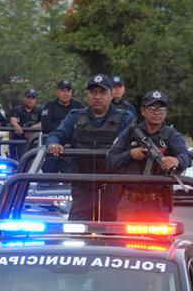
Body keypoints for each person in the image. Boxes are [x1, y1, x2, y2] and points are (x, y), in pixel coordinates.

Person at [45, 74, 136, 220]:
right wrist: (54, 144)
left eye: (102, 92)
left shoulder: (125, 118)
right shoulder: (75, 117)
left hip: (114, 188)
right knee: (77, 233)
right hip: (82, 187)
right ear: (87, 95)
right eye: (93, 92)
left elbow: (138, 141)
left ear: (111, 95)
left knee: (113, 234)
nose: (97, 97)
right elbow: (56, 135)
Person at [106, 89, 190, 220]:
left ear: (166, 112)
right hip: (129, 202)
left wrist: (176, 160)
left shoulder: (172, 135)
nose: (157, 112)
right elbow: (110, 160)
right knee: (123, 239)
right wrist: (130, 154)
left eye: (161, 108)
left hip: (157, 204)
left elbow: (186, 156)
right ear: (142, 110)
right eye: (152, 107)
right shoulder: (131, 132)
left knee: (158, 240)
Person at [6, 88, 43, 159]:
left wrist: (31, 129)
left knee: (33, 160)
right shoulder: (17, 109)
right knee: (17, 161)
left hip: (34, 141)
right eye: (28, 97)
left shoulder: (39, 111)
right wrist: (16, 126)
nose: (30, 100)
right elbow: (13, 119)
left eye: (33, 98)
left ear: (36, 99)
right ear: (24, 98)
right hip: (18, 140)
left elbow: (43, 122)